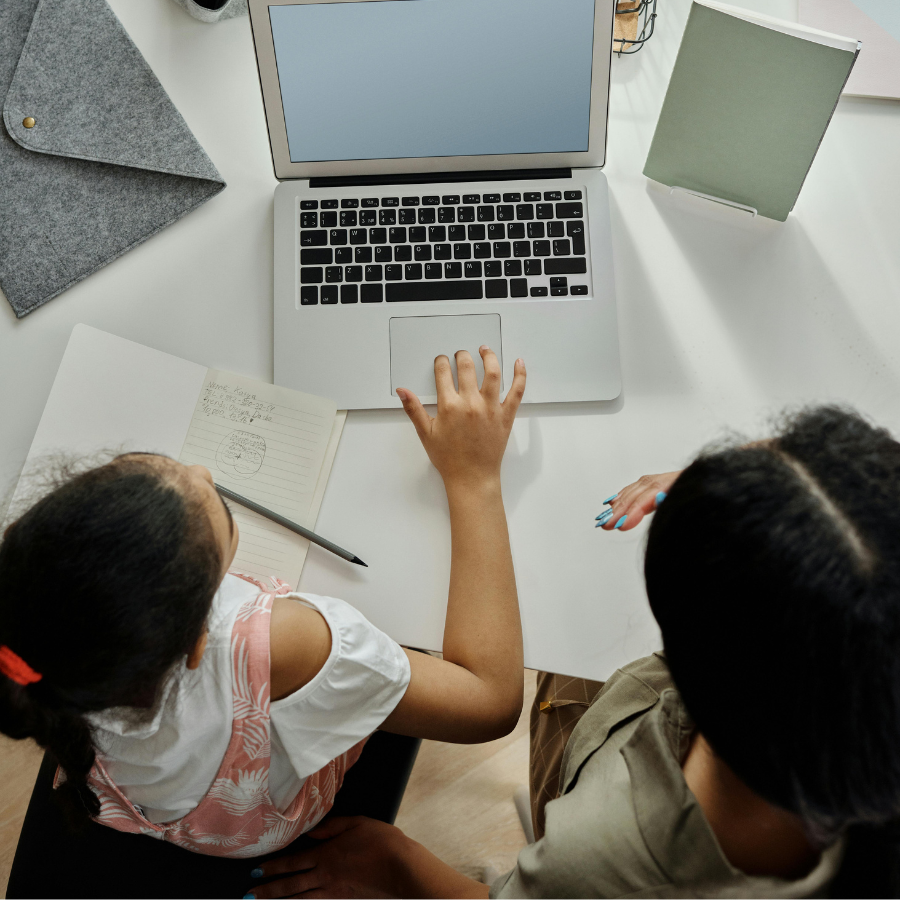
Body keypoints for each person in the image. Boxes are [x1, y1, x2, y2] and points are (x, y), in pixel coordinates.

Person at [244, 406, 900, 898]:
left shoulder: (602, 857)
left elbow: (492, 712)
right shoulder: (837, 702)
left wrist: (400, 866)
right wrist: (767, 508)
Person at [0, 348, 526, 859]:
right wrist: (474, 479)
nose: (203, 471)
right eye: (219, 518)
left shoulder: (47, 653)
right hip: (253, 815)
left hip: (139, 800)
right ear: (199, 640)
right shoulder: (283, 642)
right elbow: (489, 702)